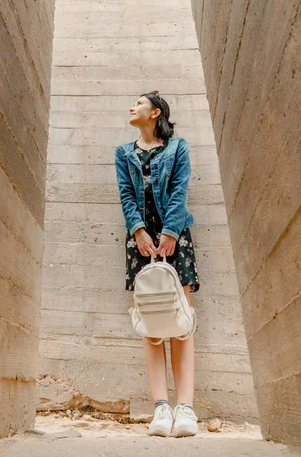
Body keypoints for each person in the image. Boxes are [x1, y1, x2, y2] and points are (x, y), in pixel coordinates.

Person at [114, 90, 200, 438]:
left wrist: (169, 231)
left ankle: (186, 409)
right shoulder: (123, 153)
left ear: (155, 113)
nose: (131, 107)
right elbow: (126, 195)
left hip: (175, 237)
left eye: (138, 103)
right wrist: (138, 232)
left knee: (181, 321)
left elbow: (180, 191)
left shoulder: (178, 148)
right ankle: (161, 408)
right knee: (151, 324)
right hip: (140, 243)